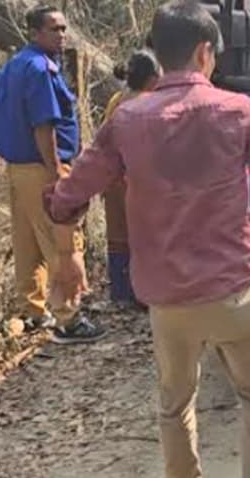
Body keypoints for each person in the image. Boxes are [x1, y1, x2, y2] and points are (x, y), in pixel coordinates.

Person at [45, 0, 250, 478]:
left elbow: (71, 193)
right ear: (204, 53)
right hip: (235, 288)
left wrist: (66, 251)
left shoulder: (128, 119)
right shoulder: (242, 111)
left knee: (175, 408)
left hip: (167, 297)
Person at [0, 4, 105, 344]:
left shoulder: (16, 63)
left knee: (27, 242)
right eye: (54, 29)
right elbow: (43, 126)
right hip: (41, 168)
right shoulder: (39, 69)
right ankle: (68, 318)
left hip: (18, 168)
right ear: (35, 33)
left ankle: (34, 311)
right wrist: (56, 174)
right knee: (60, 241)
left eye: (64, 28)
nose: (62, 35)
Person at [102, 49, 162, 307]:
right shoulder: (150, 104)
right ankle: (143, 293)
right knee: (143, 237)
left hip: (114, 179)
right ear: (152, 78)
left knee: (118, 237)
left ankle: (121, 291)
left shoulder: (118, 99)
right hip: (137, 180)